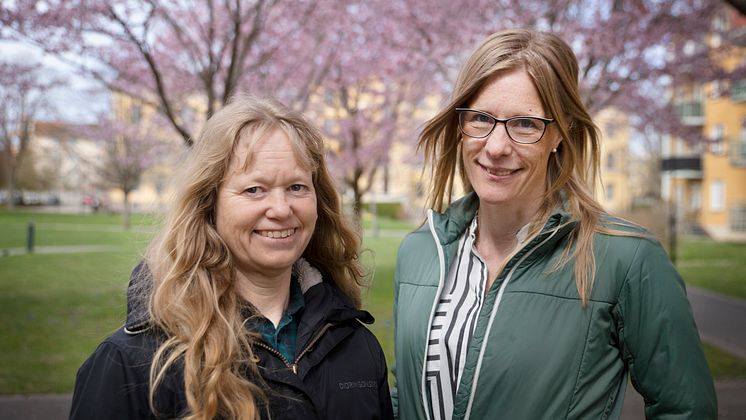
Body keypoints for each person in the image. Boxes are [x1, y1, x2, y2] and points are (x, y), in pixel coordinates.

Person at [393, 29, 716, 420]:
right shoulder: (421, 251)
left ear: (560, 135)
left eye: (526, 124)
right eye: (480, 118)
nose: (496, 147)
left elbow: (686, 410)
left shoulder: (627, 260)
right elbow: (408, 394)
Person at [71, 96, 394, 420]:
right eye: (255, 189)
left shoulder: (356, 346)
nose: (281, 209)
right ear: (208, 204)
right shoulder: (134, 363)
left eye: (297, 187)